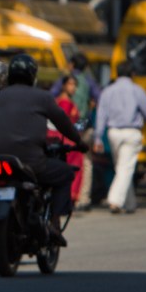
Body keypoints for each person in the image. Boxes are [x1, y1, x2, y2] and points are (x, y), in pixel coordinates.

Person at [0, 54, 88, 245]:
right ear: (33, 75)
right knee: (65, 173)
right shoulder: (43, 97)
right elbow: (63, 122)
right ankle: (55, 223)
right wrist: (78, 141)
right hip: (32, 163)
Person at [93, 61, 146, 214]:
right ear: (133, 74)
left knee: (122, 167)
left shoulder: (108, 91)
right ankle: (115, 200)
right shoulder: (137, 90)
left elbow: (101, 115)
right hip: (131, 133)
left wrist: (97, 137)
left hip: (113, 132)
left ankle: (130, 203)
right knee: (125, 167)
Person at [50, 53, 101, 211]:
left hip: (65, 127)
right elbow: (99, 97)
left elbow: (50, 95)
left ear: (71, 64)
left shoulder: (64, 81)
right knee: (85, 162)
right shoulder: (89, 81)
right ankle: (83, 197)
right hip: (82, 124)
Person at [47, 75, 84, 204]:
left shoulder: (61, 101)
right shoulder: (64, 103)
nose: (73, 88)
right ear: (64, 86)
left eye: (74, 85)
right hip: (64, 139)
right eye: (70, 84)